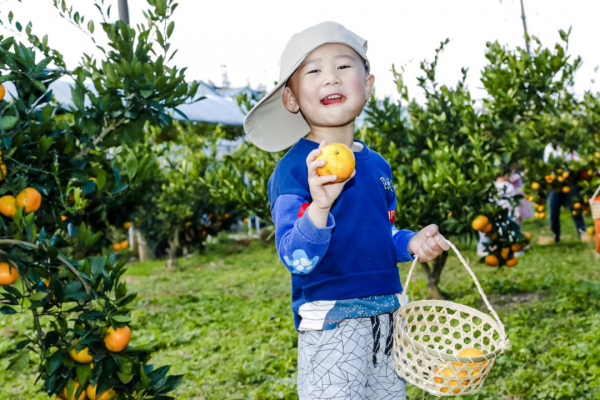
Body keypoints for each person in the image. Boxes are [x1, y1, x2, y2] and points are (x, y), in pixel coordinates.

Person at [243, 21, 450, 399]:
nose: (330, 79)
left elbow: (382, 234)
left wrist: (412, 242)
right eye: (314, 70)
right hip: (331, 326)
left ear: (367, 85)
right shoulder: (293, 170)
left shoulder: (377, 166)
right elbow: (296, 258)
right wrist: (320, 206)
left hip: (388, 322)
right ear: (291, 98)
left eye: (343, 66)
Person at [543, 138, 586, 242]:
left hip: (571, 182)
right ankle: (555, 236)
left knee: (575, 210)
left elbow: (578, 162)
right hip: (556, 184)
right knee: (553, 211)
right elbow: (547, 164)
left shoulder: (572, 147)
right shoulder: (549, 148)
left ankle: (583, 235)